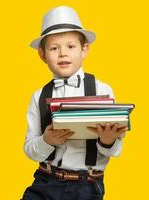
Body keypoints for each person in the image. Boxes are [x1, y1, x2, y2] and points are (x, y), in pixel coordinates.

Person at [21, 6, 128, 200]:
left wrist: (108, 140)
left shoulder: (102, 90)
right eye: (54, 48)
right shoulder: (38, 96)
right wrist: (46, 141)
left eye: (70, 46)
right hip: (45, 181)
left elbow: (116, 149)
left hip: (87, 186)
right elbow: (30, 149)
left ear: (84, 49)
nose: (63, 53)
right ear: (43, 55)